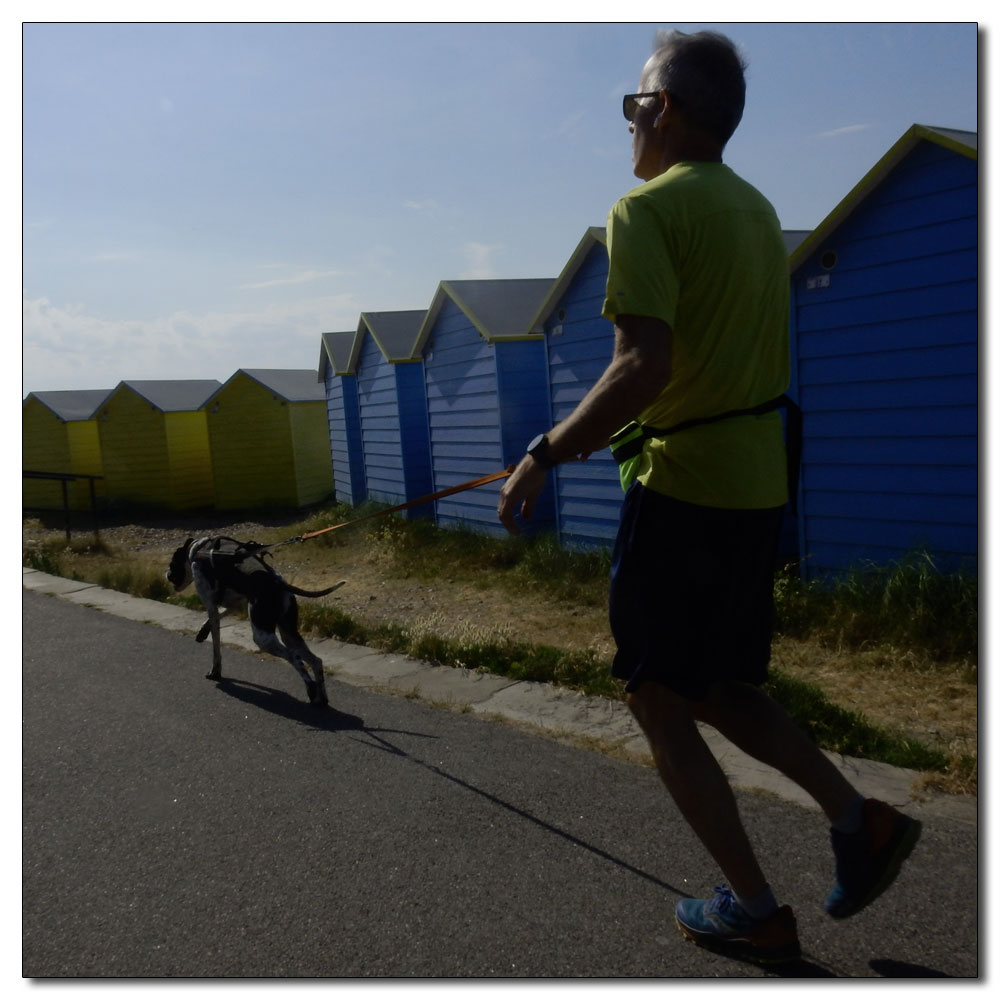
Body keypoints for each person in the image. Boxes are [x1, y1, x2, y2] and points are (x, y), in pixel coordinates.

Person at [497, 28, 921, 965]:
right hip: (756, 484)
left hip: (682, 489)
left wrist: (543, 453)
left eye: (634, 103)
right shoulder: (755, 211)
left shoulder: (644, 211)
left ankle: (757, 908)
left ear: (666, 110)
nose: (630, 121)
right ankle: (862, 819)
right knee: (719, 685)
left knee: (656, 695)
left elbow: (643, 366)